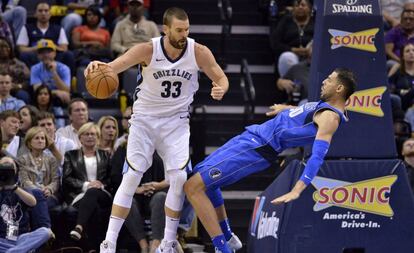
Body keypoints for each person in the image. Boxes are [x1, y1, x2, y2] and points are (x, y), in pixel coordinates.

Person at [87, 7, 229, 253]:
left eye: (186, 29)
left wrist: (221, 87)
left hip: (176, 121)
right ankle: (109, 242)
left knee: (180, 178)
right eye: (178, 30)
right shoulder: (148, 49)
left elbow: (220, 76)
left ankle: (168, 242)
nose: (184, 34)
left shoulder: (198, 52)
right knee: (131, 177)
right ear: (165, 29)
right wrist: (100, 66)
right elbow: (114, 66)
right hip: (145, 120)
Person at [184, 69, 357, 253]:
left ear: (339, 88)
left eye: (329, 80)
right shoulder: (324, 106)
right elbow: (304, 113)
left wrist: (297, 190)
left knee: (193, 187)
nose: (324, 81)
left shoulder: (330, 117)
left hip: (257, 148)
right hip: (253, 135)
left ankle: (222, 248)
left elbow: (317, 157)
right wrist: (285, 109)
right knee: (199, 175)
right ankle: (227, 237)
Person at [62, 123, 112, 246]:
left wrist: (101, 184)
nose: (90, 137)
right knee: (94, 208)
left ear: (98, 137)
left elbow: (111, 178)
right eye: (86, 134)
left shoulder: (106, 155)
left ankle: (79, 227)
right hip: (80, 195)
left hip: (102, 192)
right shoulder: (71, 155)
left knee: (93, 193)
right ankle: (93, 248)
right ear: (80, 138)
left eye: (93, 134)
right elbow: (67, 178)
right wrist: (86, 185)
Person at [0, 156, 54, 252]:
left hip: (20, 238)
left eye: (10, 166)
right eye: (3, 165)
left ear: (16, 170)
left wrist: (15, 188)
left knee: (46, 232)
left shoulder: (23, 189)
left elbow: (33, 202)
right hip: (2, 239)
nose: (6, 168)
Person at [18, 126, 59, 230]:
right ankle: (45, 231)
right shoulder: (22, 160)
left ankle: (41, 233)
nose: (40, 141)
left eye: (42, 138)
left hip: (48, 195)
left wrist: (49, 189)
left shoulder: (51, 159)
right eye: (36, 138)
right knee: (36, 198)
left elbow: (55, 180)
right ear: (29, 142)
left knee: (40, 204)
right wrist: (38, 190)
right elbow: (24, 181)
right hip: (30, 195)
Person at [16, 1, 75, 74]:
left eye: (46, 11)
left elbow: (64, 48)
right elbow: (21, 49)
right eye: (40, 11)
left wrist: (50, 45)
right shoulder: (27, 28)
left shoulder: (58, 28)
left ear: (50, 13)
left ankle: (68, 79)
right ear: (35, 14)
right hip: (36, 55)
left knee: (69, 55)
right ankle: (32, 78)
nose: (43, 13)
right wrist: (38, 47)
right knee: (24, 55)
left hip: (54, 57)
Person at [270, 0, 314, 76]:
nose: (300, 7)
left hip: (310, 54)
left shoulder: (315, 22)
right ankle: (294, 84)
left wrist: (312, 49)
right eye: (297, 5)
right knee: (286, 57)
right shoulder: (286, 21)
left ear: (309, 8)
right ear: (293, 9)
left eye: (303, 5)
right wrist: (293, 50)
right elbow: (276, 44)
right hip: (291, 54)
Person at [30, 39, 71, 104]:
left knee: (66, 95)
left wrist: (54, 72)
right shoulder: (35, 68)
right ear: (38, 55)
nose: (45, 55)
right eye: (42, 52)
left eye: (48, 52)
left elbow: (66, 90)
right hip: (44, 97)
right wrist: (55, 92)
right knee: (42, 96)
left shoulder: (64, 68)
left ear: (54, 54)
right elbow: (37, 90)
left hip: (59, 98)